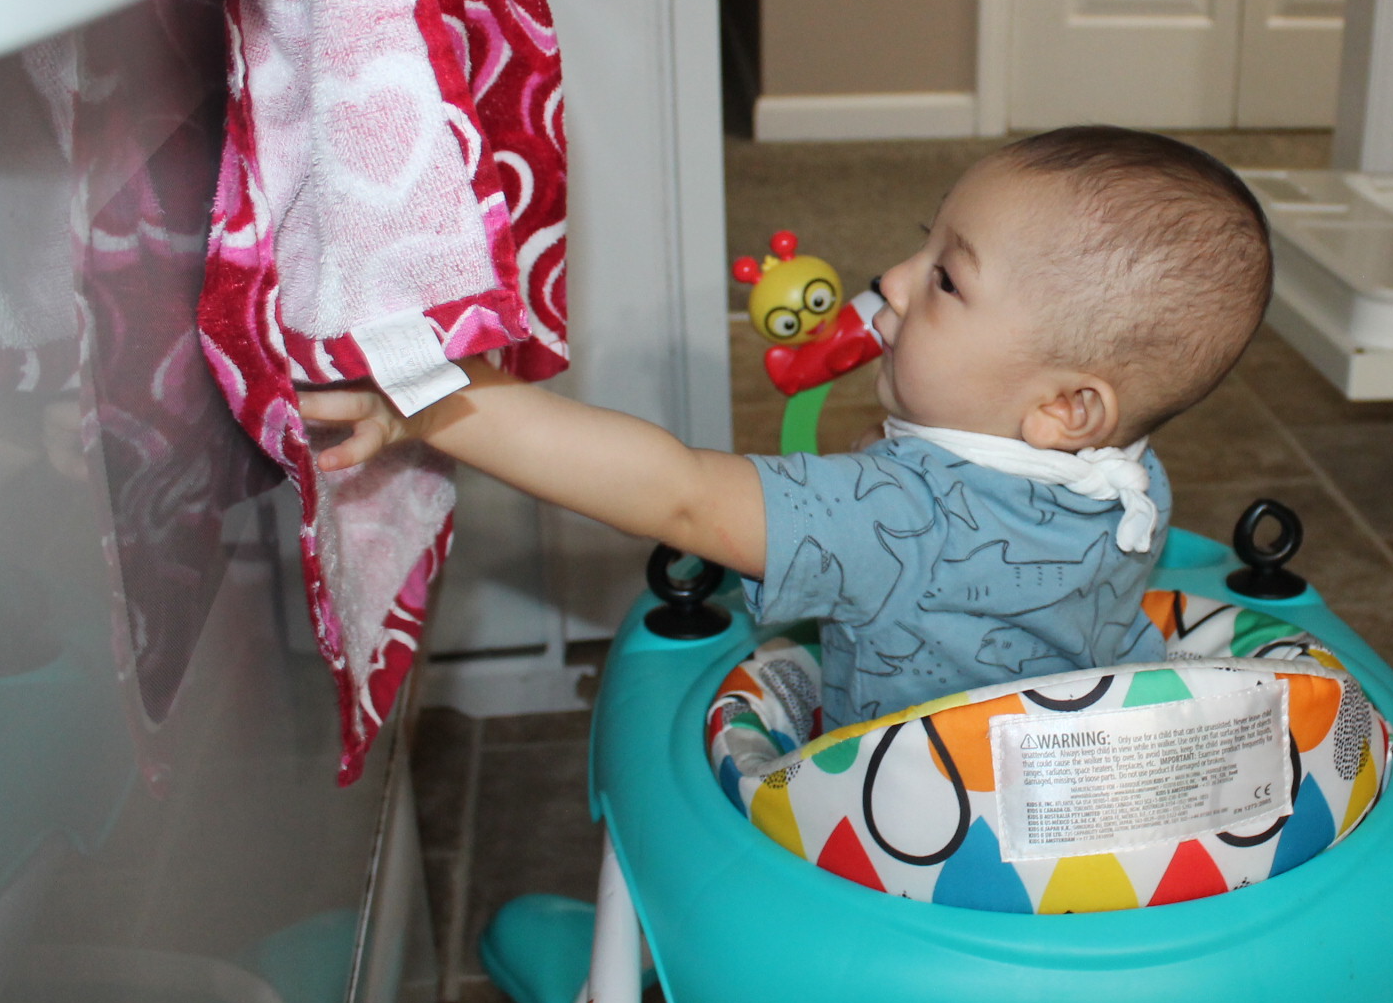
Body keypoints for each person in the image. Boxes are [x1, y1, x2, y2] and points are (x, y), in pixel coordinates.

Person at [299, 126, 1273, 730]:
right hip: (1075, 782)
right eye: (926, 243)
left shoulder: (894, 516)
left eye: (946, 278)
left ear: (1064, 408)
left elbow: (676, 492)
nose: (893, 279)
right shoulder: (1129, 479)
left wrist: (443, 400)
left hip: (923, 837)